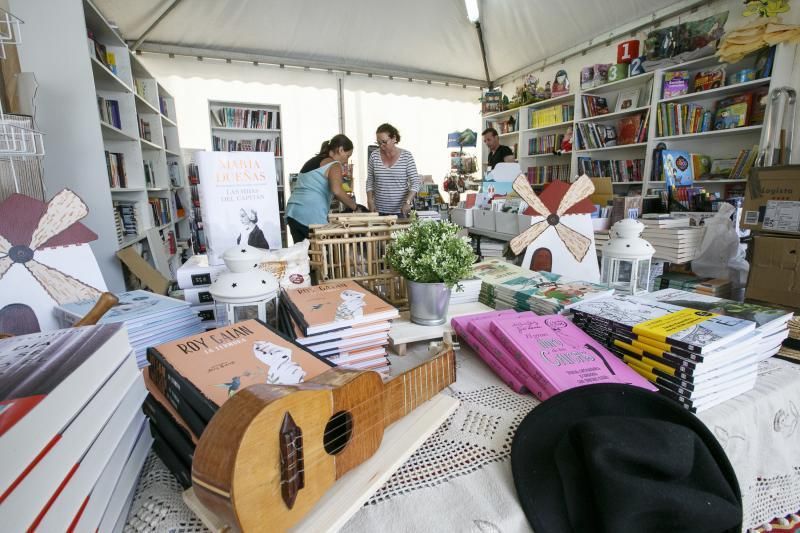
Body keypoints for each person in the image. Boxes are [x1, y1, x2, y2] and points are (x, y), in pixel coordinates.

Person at [285, 134, 362, 243]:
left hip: (293, 213)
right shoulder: (334, 165)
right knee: (322, 255)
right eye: (347, 156)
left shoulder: (313, 160)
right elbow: (337, 190)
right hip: (310, 214)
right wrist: (355, 207)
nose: (346, 161)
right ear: (340, 150)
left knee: (303, 255)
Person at [367, 123, 420, 216]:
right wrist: (370, 200)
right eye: (378, 143)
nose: (381, 146)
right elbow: (370, 181)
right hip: (378, 211)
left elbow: (415, 182)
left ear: (394, 138)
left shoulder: (406, 156)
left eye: (384, 142)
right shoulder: (374, 156)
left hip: (400, 211)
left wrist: (407, 202)